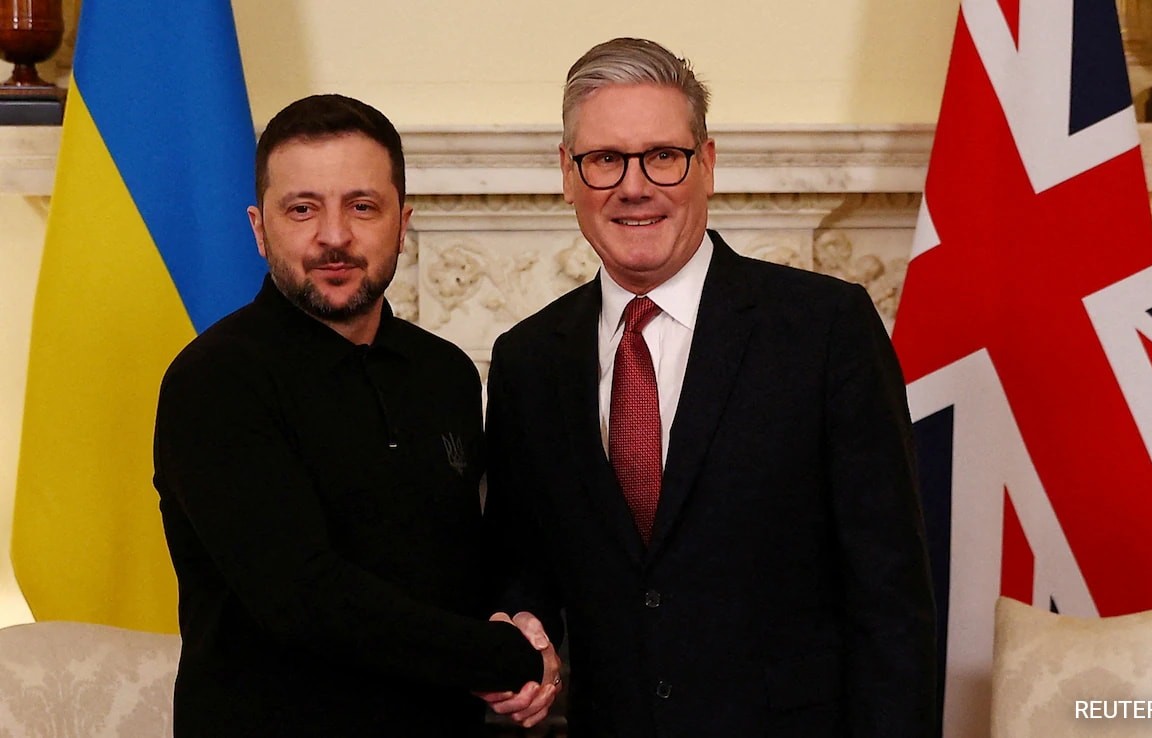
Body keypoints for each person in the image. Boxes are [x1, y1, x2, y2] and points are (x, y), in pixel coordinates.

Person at [482, 38, 938, 737]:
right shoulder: (527, 360)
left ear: (708, 164)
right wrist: (520, 630)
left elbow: (891, 598)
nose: (634, 186)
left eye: (663, 156)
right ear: (568, 174)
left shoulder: (825, 330)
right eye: (604, 160)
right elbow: (525, 565)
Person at [153, 94, 557, 737]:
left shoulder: (447, 373)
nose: (334, 236)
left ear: (403, 223)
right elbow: (301, 596)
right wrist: (500, 658)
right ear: (259, 229)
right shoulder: (214, 380)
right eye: (303, 208)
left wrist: (524, 620)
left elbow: (477, 558)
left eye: (362, 206)